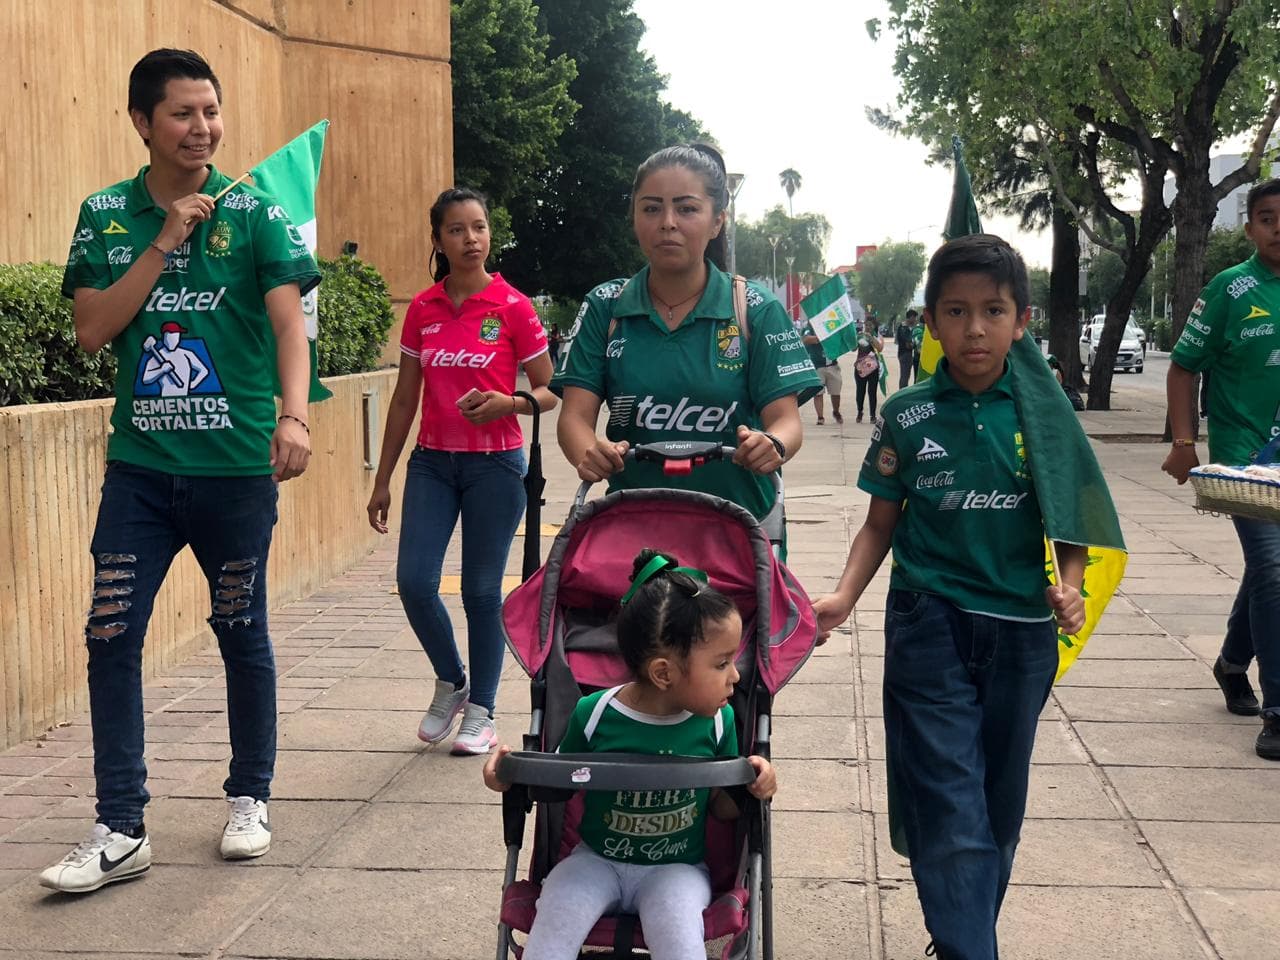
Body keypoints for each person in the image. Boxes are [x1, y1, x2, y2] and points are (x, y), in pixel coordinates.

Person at [39, 49, 320, 894]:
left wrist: (295, 416)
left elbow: (287, 328)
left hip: (235, 471)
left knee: (240, 628)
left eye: (212, 111)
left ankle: (249, 797)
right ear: (141, 123)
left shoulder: (259, 214)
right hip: (140, 471)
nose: (203, 129)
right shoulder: (105, 215)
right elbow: (93, 329)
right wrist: (165, 239)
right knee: (110, 634)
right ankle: (121, 827)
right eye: (183, 114)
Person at [812, 235, 1087, 960]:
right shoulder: (906, 412)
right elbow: (881, 522)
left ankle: (962, 933)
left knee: (997, 804)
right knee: (946, 796)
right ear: (928, 322)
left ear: (1021, 320)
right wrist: (843, 595)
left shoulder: (1043, 410)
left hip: (1024, 632)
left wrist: (1074, 587)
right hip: (927, 619)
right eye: (956, 311)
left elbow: (1073, 518)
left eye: (992, 311)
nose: (974, 329)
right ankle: (972, 949)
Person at [483, 548, 777, 960]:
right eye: (722, 663)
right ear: (663, 673)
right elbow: (556, 788)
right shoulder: (595, 713)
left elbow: (724, 809)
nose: (736, 675)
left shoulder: (717, 722)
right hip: (595, 860)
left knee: (680, 942)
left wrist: (753, 782)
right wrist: (507, 773)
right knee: (553, 924)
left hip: (676, 870)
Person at [367, 187, 556, 756]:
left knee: (480, 590)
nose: (470, 239)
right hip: (432, 463)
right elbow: (404, 399)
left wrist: (512, 403)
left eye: (479, 227)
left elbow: (553, 390)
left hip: (496, 467)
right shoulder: (422, 309)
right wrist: (382, 479)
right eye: (457, 230)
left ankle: (484, 710)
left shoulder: (514, 307)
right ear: (438, 240)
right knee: (415, 582)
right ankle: (452, 681)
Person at [552, 144, 819, 523]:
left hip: (741, 537)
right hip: (631, 534)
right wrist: (590, 452)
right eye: (651, 208)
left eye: (687, 208)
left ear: (717, 221)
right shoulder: (604, 306)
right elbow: (574, 419)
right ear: (634, 218)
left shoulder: (756, 309)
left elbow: (787, 421)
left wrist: (772, 444)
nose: (668, 222)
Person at [1163, 178, 1280, 761]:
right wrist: (1185, 441)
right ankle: (1278, 711)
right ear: (1251, 228)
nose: (1278, 227)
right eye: (1266, 218)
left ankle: (1233, 662)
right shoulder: (1231, 289)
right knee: (1275, 569)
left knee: (1269, 573)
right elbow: (1183, 367)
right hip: (1245, 457)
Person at [796, 313, 843, 424]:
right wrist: (821, 337)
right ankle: (820, 417)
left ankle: (836, 411)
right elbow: (805, 339)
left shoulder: (830, 325)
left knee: (835, 392)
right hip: (817, 366)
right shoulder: (809, 328)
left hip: (832, 365)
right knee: (818, 393)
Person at [853, 317, 884, 423]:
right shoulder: (860, 335)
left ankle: (872, 415)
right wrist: (855, 339)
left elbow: (880, 348)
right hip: (860, 368)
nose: (868, 327)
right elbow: (853, 349)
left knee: (872, 391)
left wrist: (871, 338)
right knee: (860, 391)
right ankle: (859, 411)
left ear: (874, 326)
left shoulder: (877, 336)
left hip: (873, 368)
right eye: (866, 325)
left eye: (870, 325)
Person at [895, 309, 920, 389]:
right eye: (915, 317)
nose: (916, 320)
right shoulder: (903, 328)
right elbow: (908, 344)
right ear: (911, 317)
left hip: (910, 354)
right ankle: (902, 394)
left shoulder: (911, 328)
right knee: (905, 377)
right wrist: (914, 344)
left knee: (909, 376)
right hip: (905, 354)